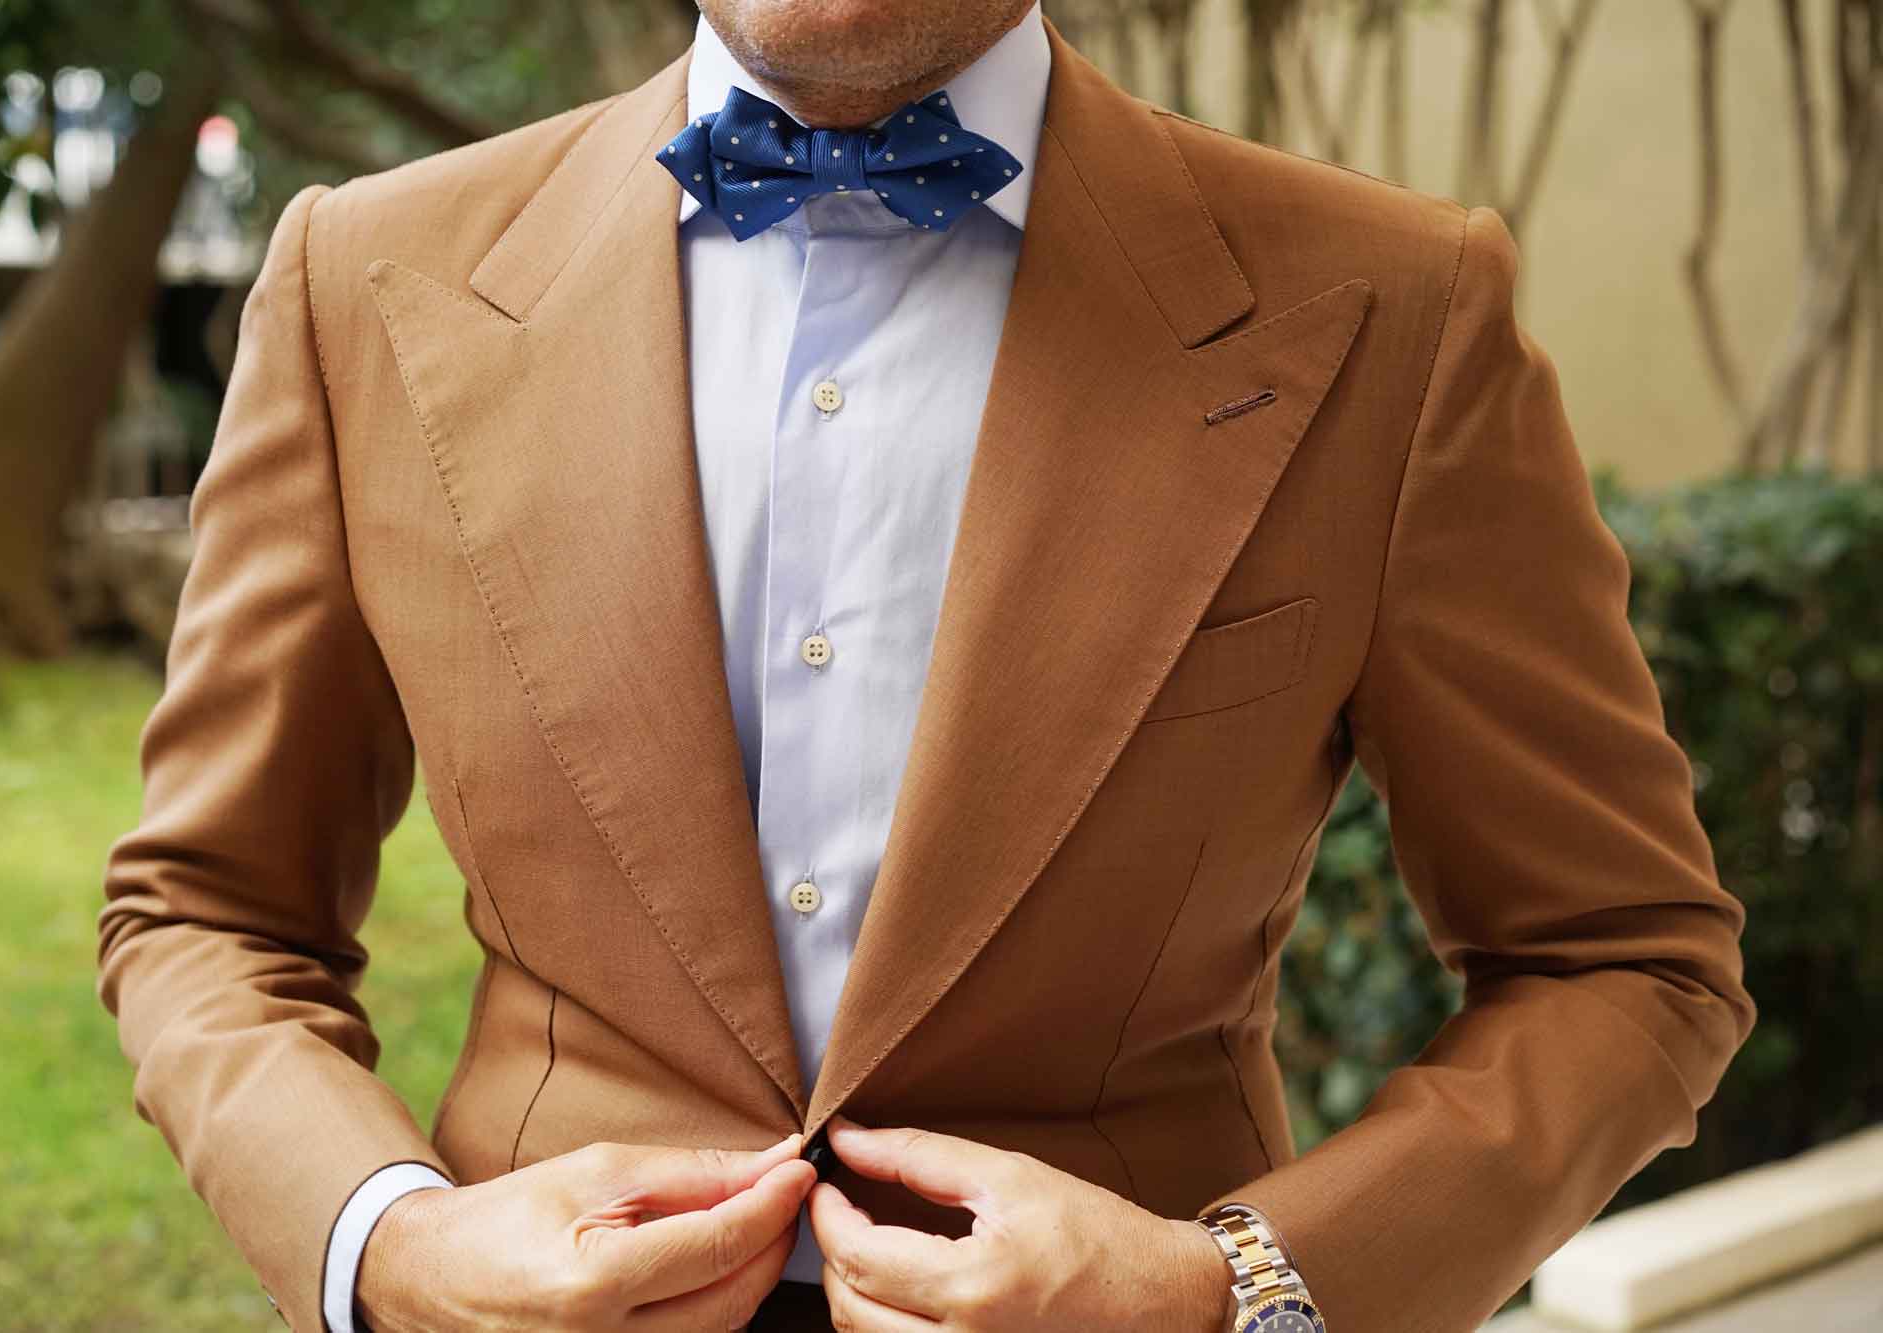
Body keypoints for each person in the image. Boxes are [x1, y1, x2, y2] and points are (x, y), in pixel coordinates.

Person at [97, 2, 1757, 1331]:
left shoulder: (1397, 312)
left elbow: (1626, 959)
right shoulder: (362, 284)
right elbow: (206, 916)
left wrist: (1231, 1290)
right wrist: (390, 1249)